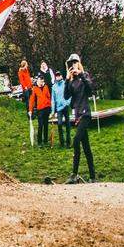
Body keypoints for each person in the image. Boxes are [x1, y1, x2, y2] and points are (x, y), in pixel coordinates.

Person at [64, 54, 96, 183]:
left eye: (75, 62)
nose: (73, 65)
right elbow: (66, 97)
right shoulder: (71, 81)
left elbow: (90, 91)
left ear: (79, 63)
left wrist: (81, 73)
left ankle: (74, 174)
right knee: (86, 147)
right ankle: (93, 176)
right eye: (71, 63)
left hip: (85, 114)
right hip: (77, 116)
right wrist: (67, 80)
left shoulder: (85, 75)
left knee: (76, 140)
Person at [28, 74, 52, 147]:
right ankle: (39, 142)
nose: (41, 82)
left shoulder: (46, 87)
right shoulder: (34, 88)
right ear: (37, 80)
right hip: (40, 109)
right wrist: (30, 110)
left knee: (46, 125)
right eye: (40, 80)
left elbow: (49, 97)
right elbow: (32, 100)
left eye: (42, 80)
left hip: (47, 108)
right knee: (40, 125)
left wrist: (50, 106)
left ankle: (45, 141)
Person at [51, 72, 71, 149]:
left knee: (67, 124)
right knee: (59, 124)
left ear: (61, 76)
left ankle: (68, 142)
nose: (58, 77)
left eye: (59, 75)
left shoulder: (65, 84)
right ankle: (61, 142)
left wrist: (68, 102)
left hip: (65, 106)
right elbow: (53, 100)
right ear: (55, 77)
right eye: (56, 76)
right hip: (59, 108)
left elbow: (69, 94)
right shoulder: (54, 87)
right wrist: (53, 111)